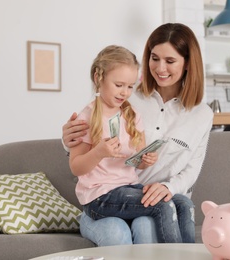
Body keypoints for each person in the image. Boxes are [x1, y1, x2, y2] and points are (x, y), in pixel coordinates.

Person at [62, 23, 214, 245]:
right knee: (146, 220)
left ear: (188, 63)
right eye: (154, 58)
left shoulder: (202, 114)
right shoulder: (125, 99)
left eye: (170, 61)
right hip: (117, 194)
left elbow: (191, 171)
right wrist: (68, 140)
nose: (160, 68)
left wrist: (165, 186)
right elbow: (87, 139)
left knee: (183, 205)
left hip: (146, 193)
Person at [70, 45, 184, 243]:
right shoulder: (85, 118)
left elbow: (136, 162)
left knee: (182, 203)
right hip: (100, 196)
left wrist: (146, 160)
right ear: (98, 78)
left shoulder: (131, 115)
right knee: (163, 205)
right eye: (119, 85)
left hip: (127, 189)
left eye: (130, 86)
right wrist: (98, 152)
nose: (125, 92)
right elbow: (76, 167)